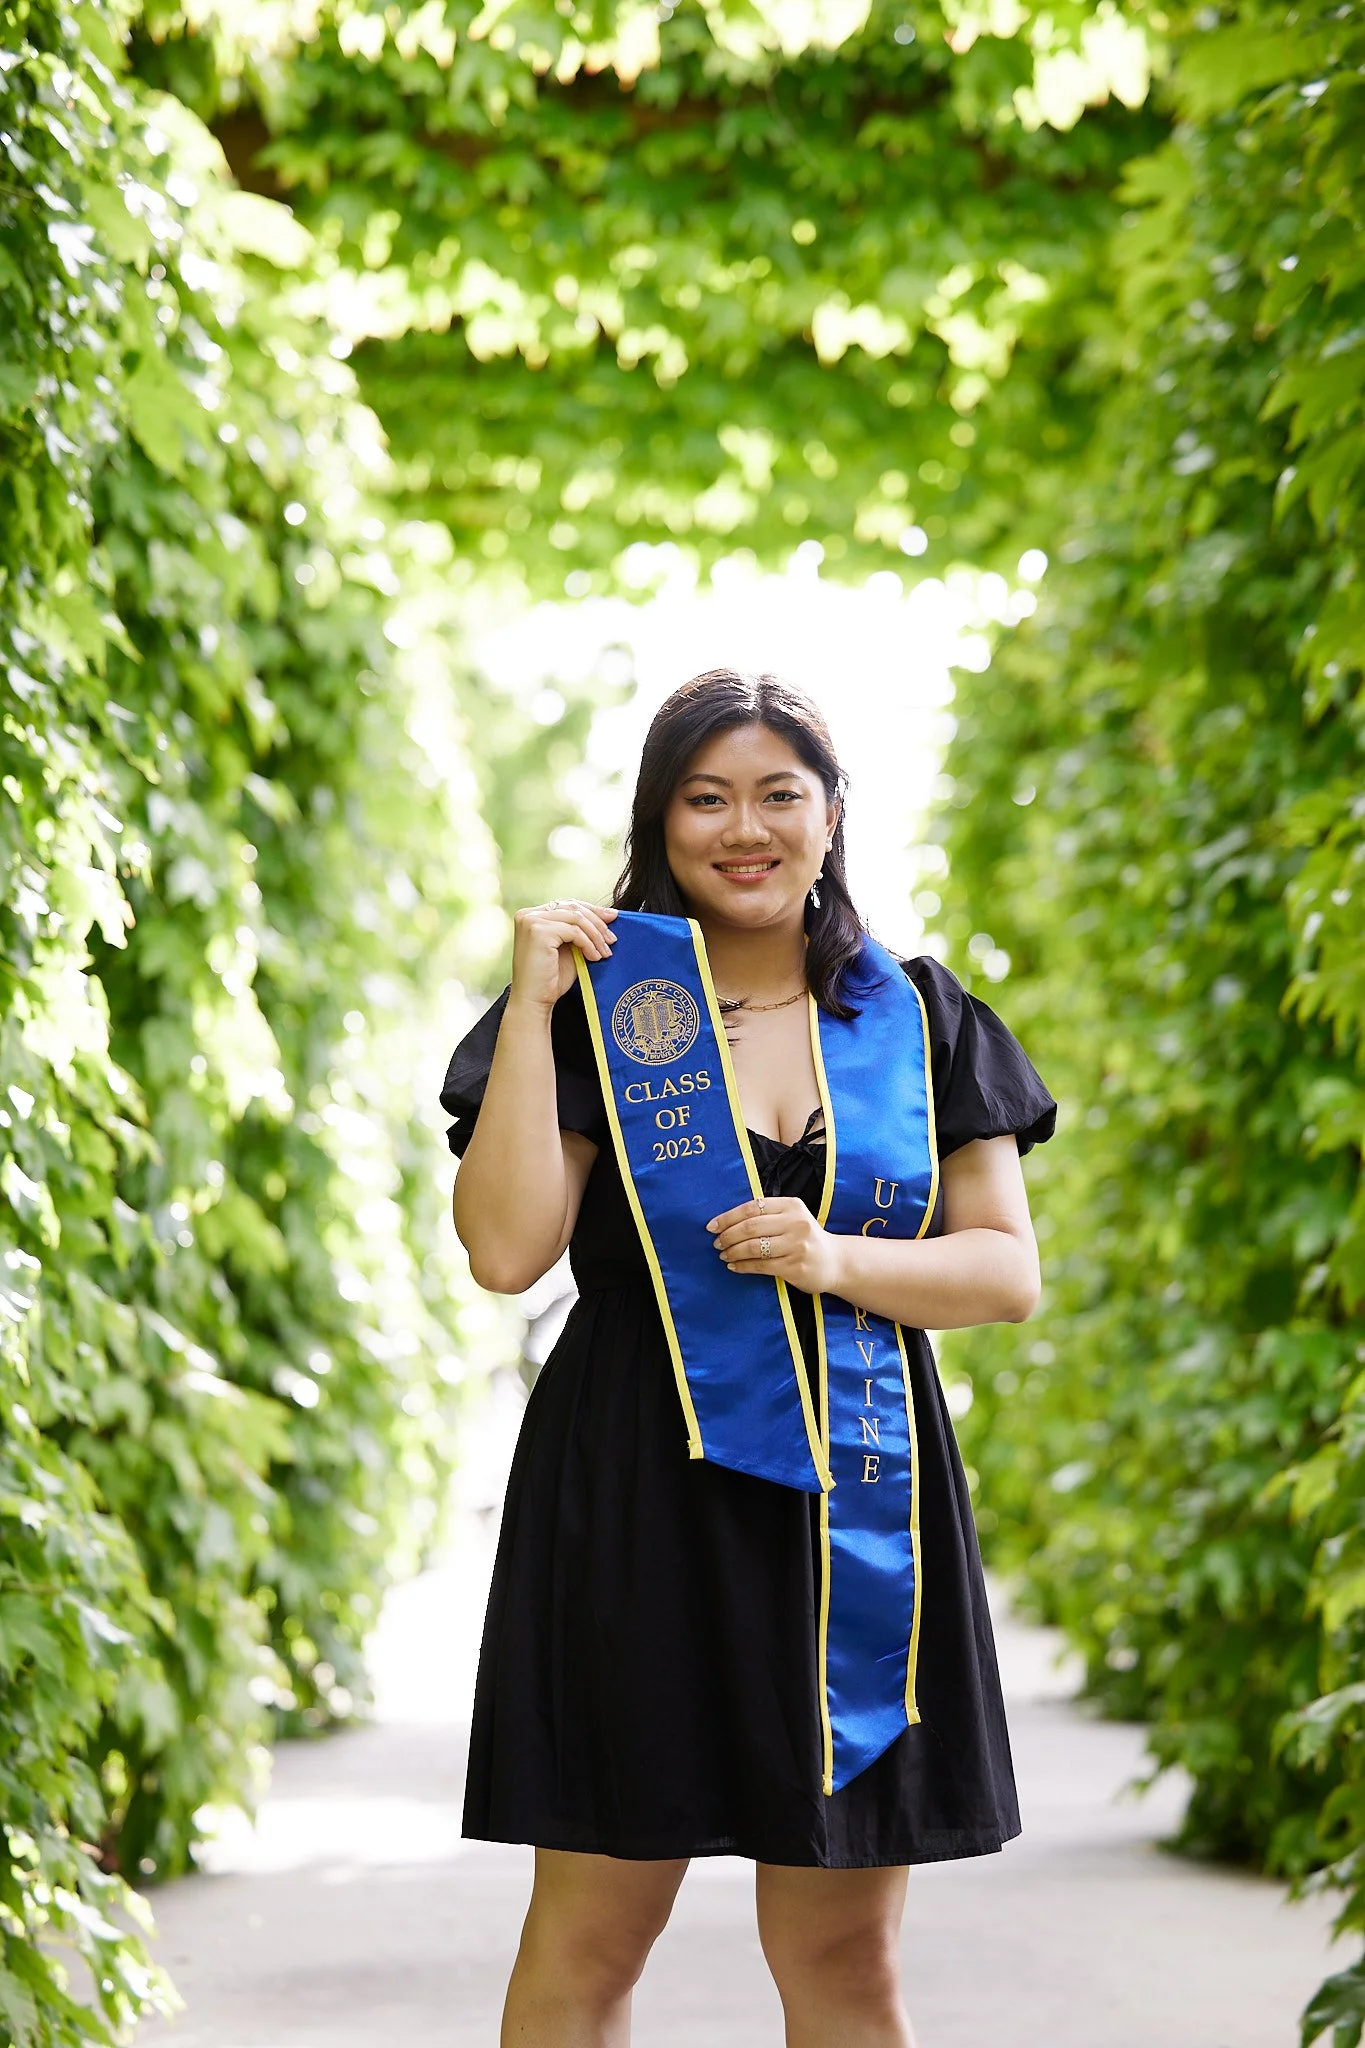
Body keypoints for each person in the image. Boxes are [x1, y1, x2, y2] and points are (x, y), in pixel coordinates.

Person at [441, 669, 1056, 2048]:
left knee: (844, 1959)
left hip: (858, 1506)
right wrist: (531, 1012)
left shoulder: (917, 1016)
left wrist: (835, 1260)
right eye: (705, 798)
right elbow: (507, 1250)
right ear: (659, 823)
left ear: (831, 815)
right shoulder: (598, 1008)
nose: (745, 828)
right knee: (588, 1943)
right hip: (636, 1486)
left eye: (780, 795)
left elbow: (1005, 1272)